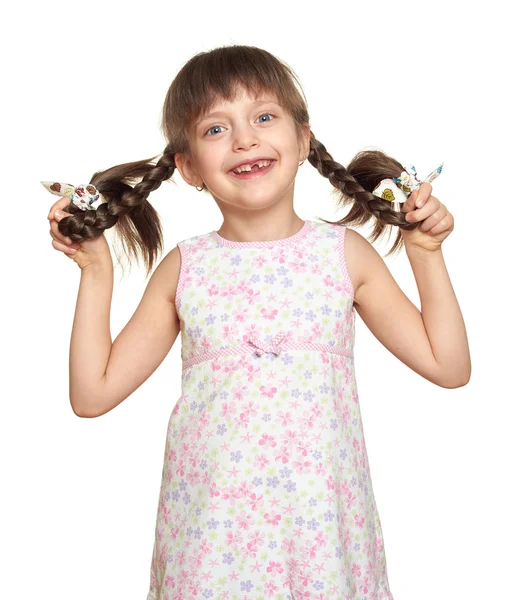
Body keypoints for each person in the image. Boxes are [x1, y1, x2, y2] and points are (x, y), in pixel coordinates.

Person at [43, 44, 471, 600]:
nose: (245, 139)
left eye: (264, 117)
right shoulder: (186, 268)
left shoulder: (343, 254)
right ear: (189, 166)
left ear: (304, 140)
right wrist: (95, 270)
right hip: (210, 544)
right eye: (215, 129)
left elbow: (450, 365)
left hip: (322, 539)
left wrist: (426, 254)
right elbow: (92, 394)